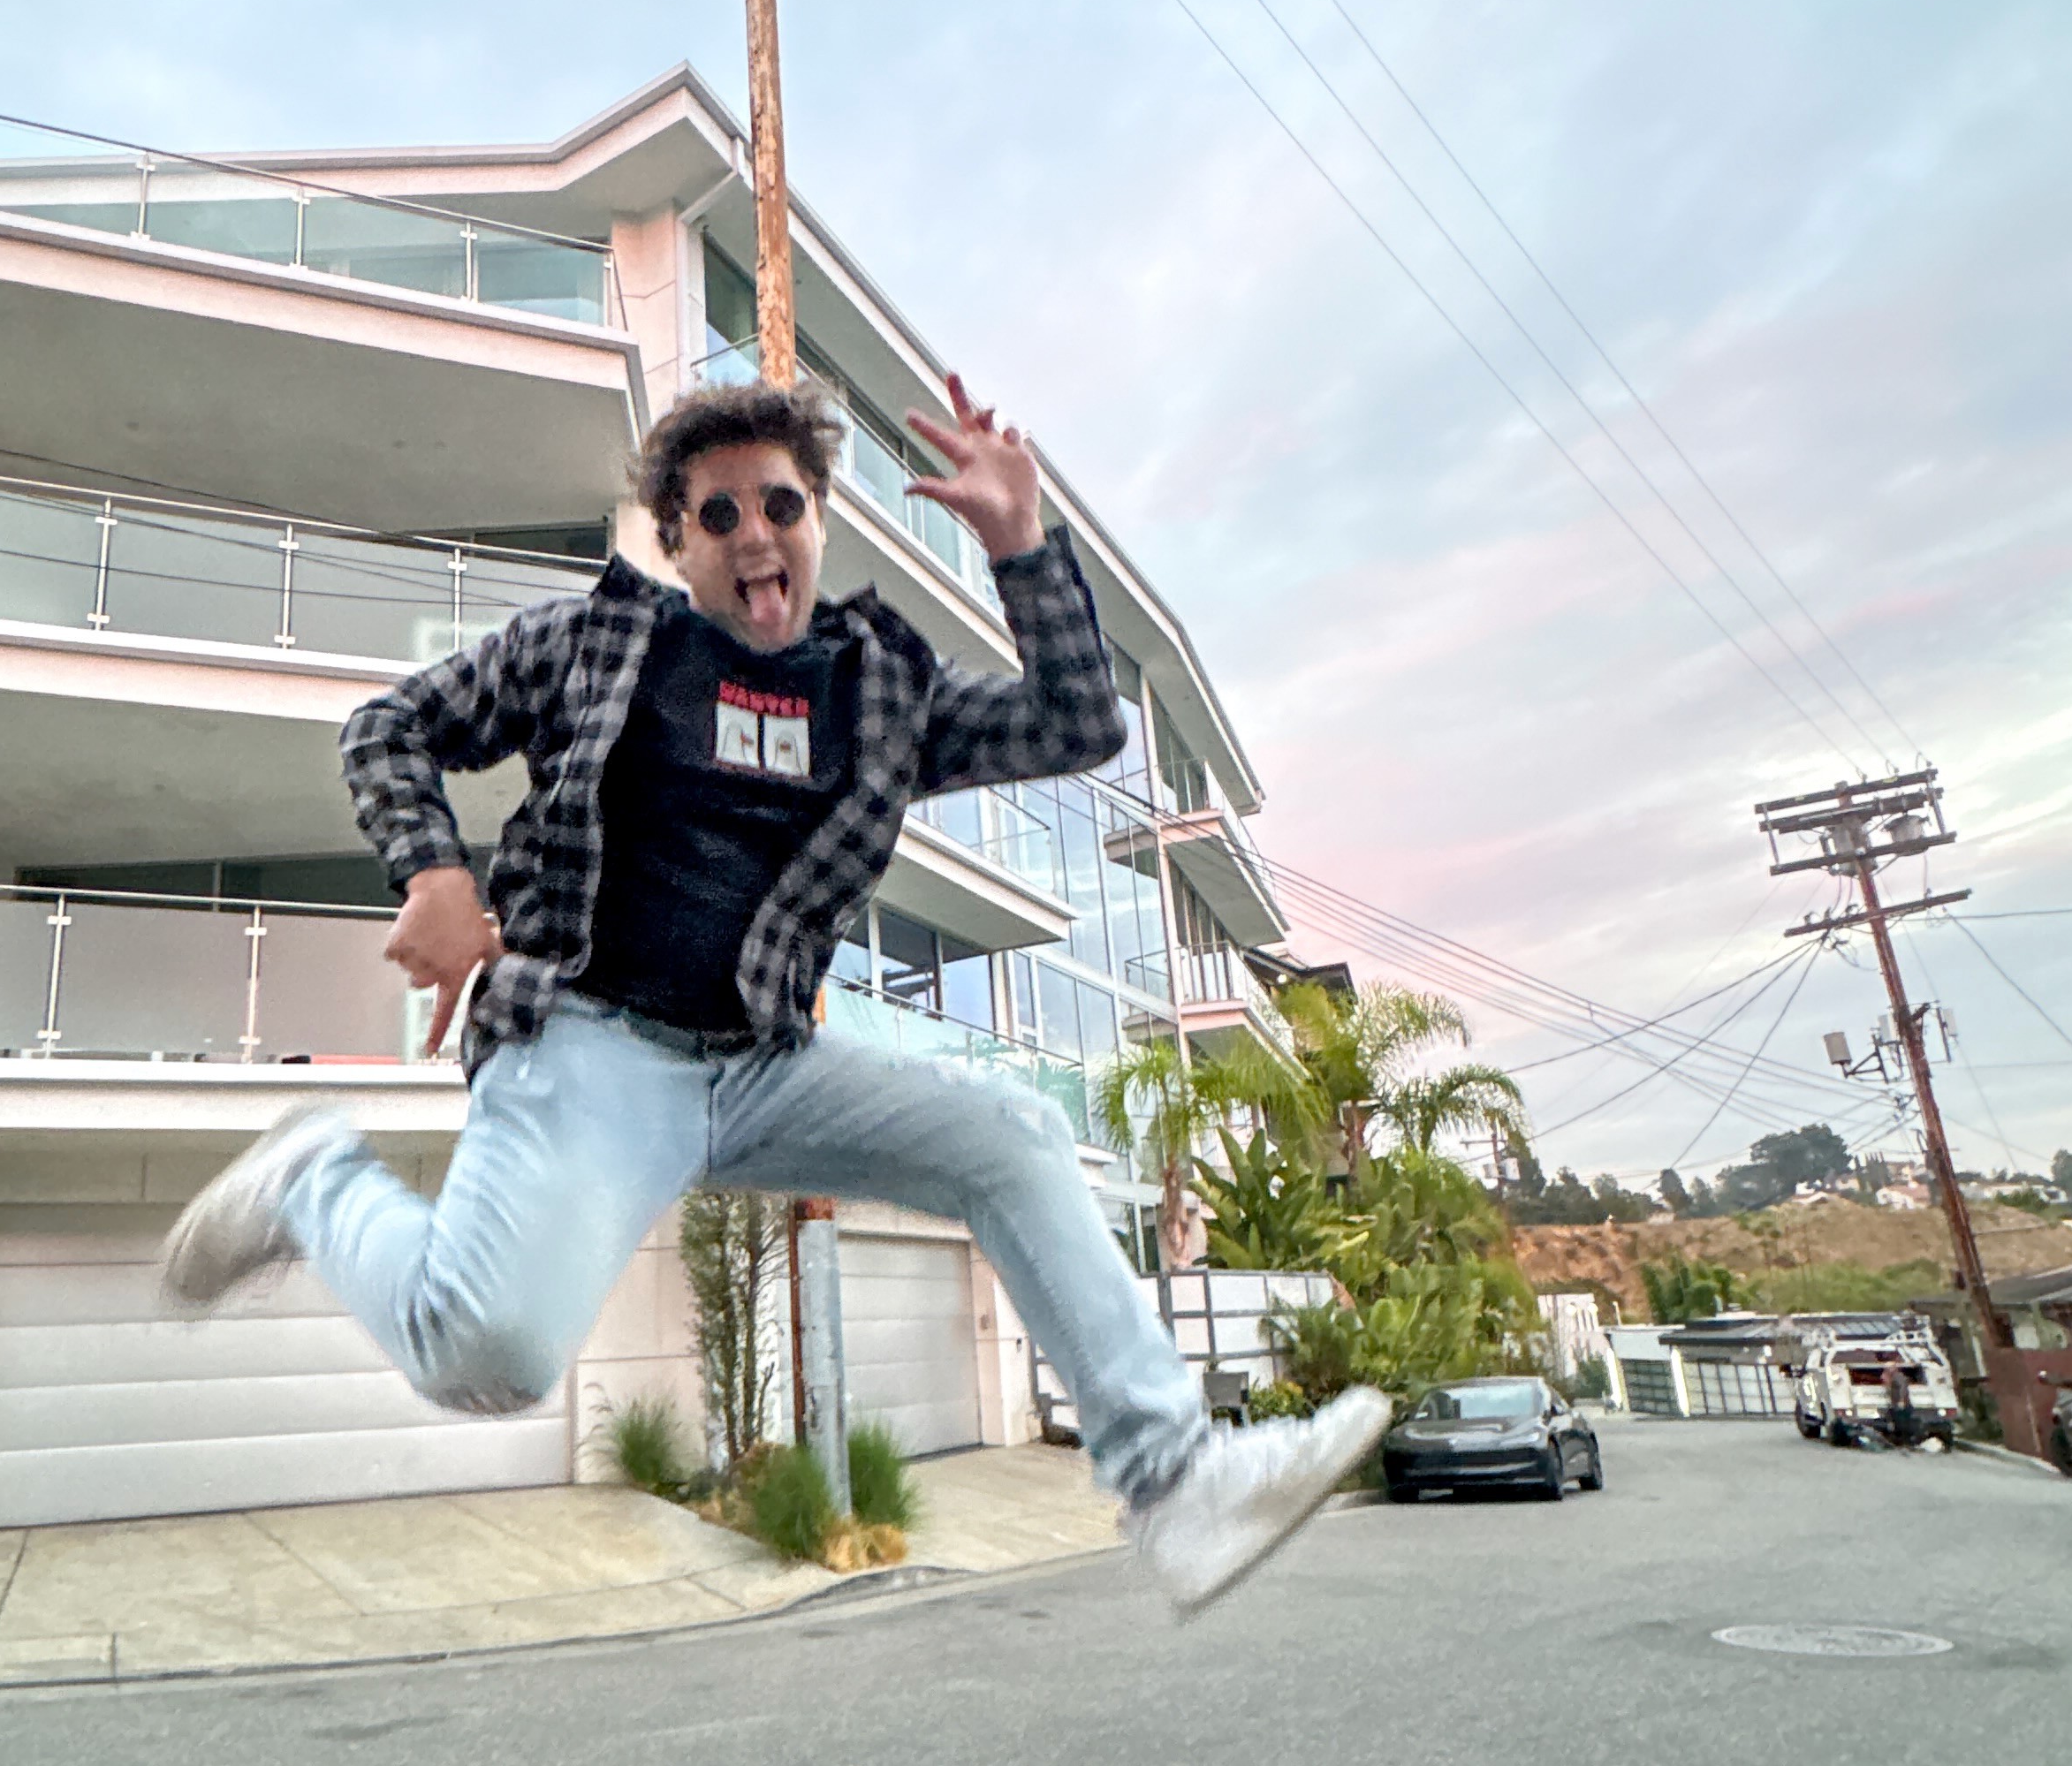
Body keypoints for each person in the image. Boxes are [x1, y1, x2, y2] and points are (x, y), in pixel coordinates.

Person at [161, 375, 1386, 1613]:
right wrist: (433, 873)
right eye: (720, 514)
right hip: (590, 1045)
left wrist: (1022, 543)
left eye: (781, 505)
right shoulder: (593, 645)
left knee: (1013, 1135)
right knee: (488, 1355)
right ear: (677, 541)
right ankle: (315, 1178)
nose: (755, 534)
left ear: (818, 523)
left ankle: (1175, 1485)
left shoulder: (882, 690)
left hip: (760, 1064)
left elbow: (1077, 725)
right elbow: (390, 727)